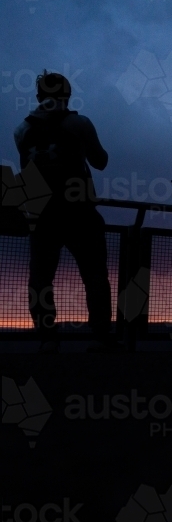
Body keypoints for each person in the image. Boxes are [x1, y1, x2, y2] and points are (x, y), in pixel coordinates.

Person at [14, 71, 117, 353]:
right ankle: (100, 335)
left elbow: (27, 171)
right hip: (80, 212)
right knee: (94, 275)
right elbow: (101, 161)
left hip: (42, 214)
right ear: (67, 95)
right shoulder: (79, 123)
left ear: (38, 97)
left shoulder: (22, 130)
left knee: (40, 278)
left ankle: (47, 336)